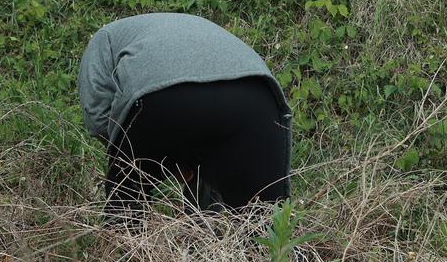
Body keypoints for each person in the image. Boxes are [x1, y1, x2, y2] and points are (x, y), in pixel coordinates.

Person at [78, 13, 291, 226]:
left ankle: (130, 251)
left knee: (125, 203)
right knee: (265, 226)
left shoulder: (104, 37)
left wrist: (128, 155)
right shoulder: (200, 28)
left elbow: (97, 116)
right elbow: (206, 115)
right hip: (258, 98)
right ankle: (204, 242)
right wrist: (182, 160)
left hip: (163, 95)